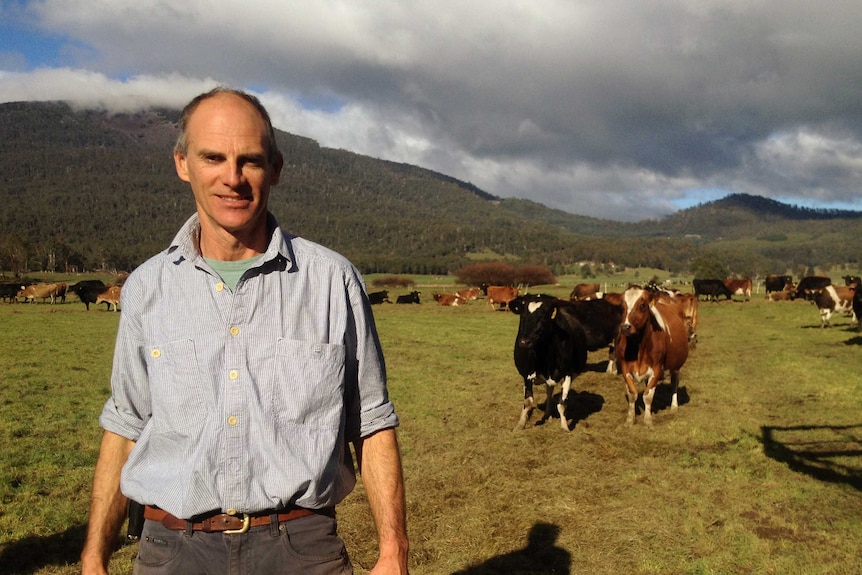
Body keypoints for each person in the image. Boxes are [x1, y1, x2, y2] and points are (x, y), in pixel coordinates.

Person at [80, 87, 409, 575]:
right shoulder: (148, 286)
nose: (231, 178)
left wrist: (394, 551)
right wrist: (93, 556)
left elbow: (373, 424)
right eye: (213, 157)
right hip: (173, 551)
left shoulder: (331, 280)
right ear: (182, 163)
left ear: (275, 169)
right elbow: (126, 426)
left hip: (300, 548)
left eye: (249, 160)